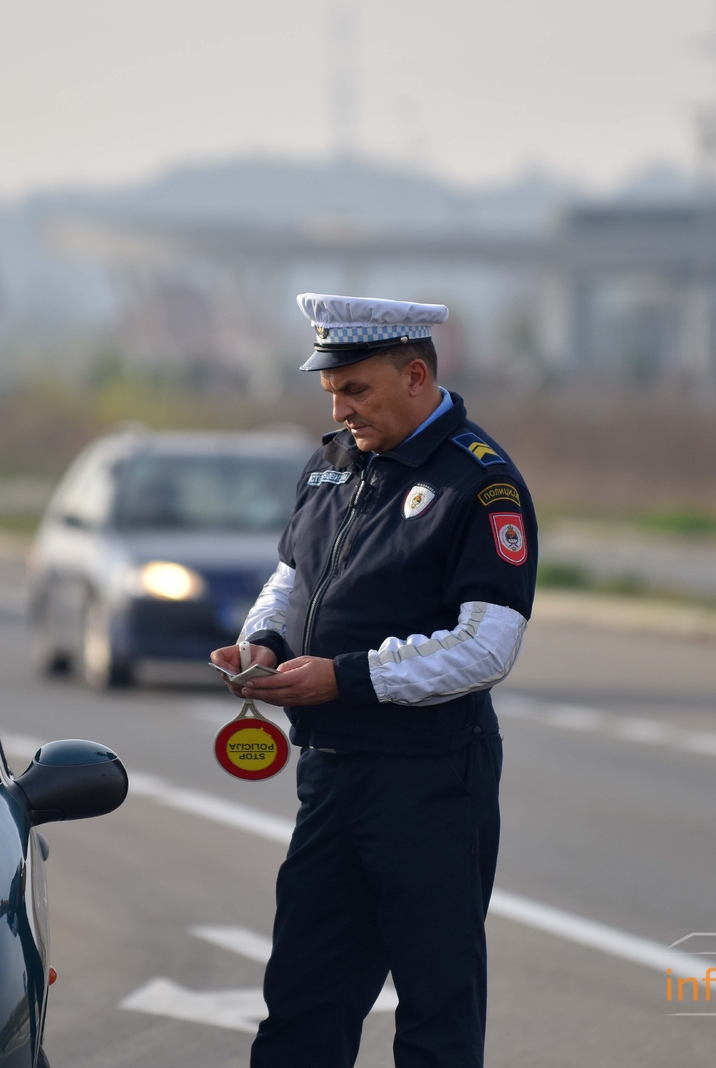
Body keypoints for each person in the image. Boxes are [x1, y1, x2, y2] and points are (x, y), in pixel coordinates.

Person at [210, 293, 537, 1068]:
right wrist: (263, 641)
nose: (342, 408)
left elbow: (488, 646)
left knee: (434, 1015)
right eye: (332, 393)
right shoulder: (333, 464)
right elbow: (292, 575)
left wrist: (347, 680)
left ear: (417, 375)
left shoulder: (479, 484)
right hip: (331, 774)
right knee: (301, 1006)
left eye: (356, 390)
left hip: (428, 782)